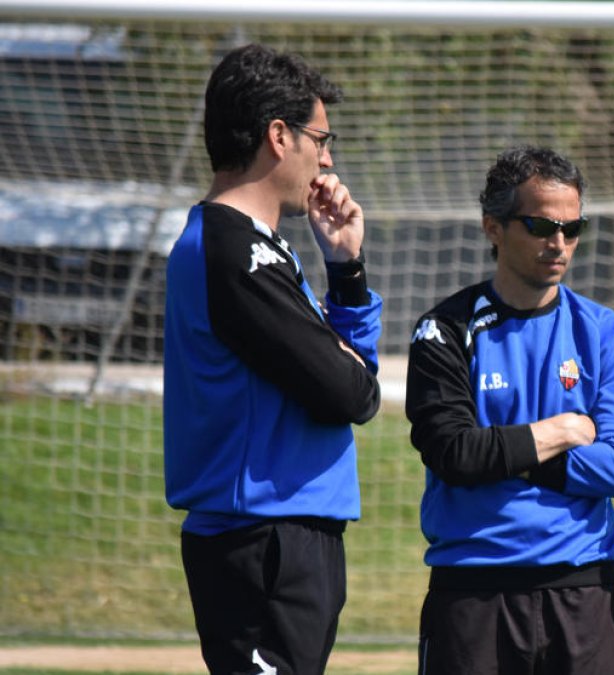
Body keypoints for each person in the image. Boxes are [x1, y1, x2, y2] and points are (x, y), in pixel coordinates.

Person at [162, 43, 382, 675]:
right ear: (278, 136)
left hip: (288, 536)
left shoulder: (263, 250)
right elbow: (353, 395)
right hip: (261, 540)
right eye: (321, 136)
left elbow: (350, 379)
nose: (328, 157)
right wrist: (347, 367)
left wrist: (345, 270)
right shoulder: (236, 254)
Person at [405, 145, 614, 675]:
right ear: (494, 228)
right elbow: (454, 454)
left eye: (572, 227)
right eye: (539, 225)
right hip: (473, 593)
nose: (559, 243)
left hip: (583, 592)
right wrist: (561, 430)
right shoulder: (444, 331)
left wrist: (506, 452)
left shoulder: (605, 332)